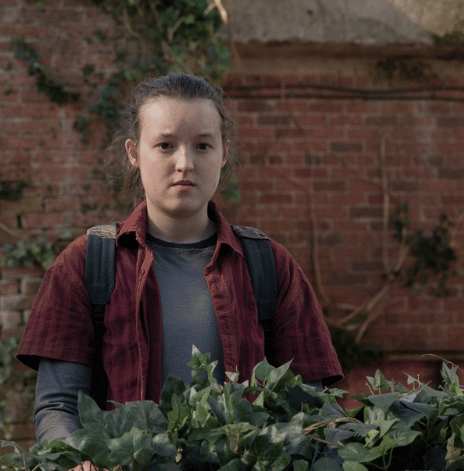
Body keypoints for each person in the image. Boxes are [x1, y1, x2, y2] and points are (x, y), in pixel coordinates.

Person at [18, 73, 342, 450]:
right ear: (134, 153)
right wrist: (82, 468)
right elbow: (58, 407)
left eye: (203, 146)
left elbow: (312, 411)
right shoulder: (85, 265)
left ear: (223, 152)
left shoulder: (270, 266)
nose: (185, 162)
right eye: (165, 145)